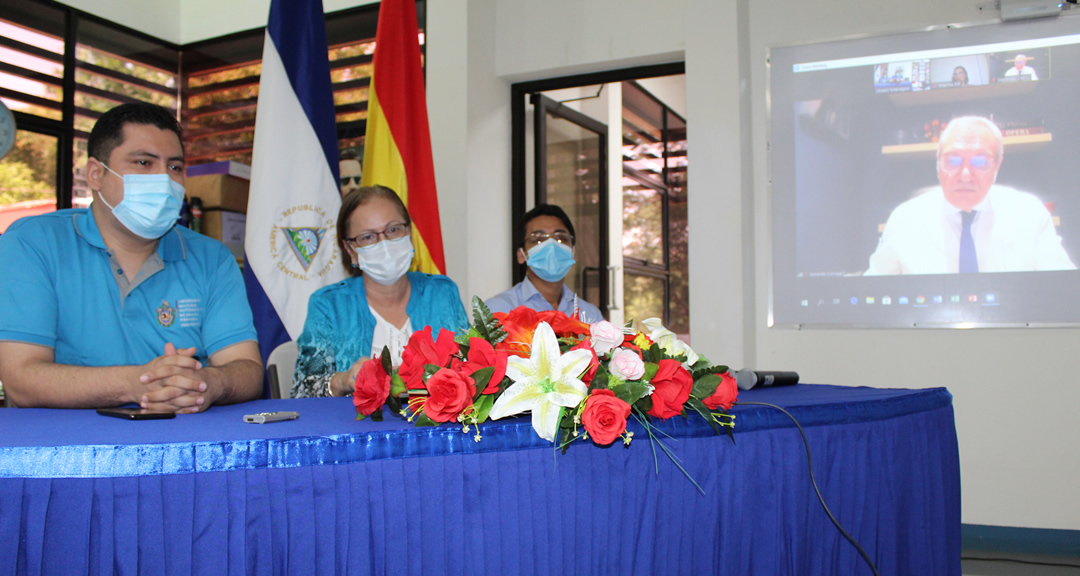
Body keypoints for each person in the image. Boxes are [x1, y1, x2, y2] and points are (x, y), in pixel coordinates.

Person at [0, 102, 263, 412]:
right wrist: (137, 382)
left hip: (182, 444)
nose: (165, 179)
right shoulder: (33, 243)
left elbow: (247, 369)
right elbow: (21, 379)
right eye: (143, 162)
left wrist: (208, 384)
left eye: (175, 167)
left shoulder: (211, 257)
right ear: (96, 175)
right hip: (64, 450)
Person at [292, 185, 468, 397]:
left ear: (409, 233)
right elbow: (303, 391)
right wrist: (344, 381)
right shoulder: (328, 305)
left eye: (393, 230)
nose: (384, 243)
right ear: (350, 250)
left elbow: (473, 370)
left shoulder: (442, 293)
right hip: (355, 427)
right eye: (368, 237)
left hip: (437, 426)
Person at [865, 116, 1074, 275]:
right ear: (938, 164)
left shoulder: (1030, 214)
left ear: (997, 165)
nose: (965, 175)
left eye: (980, 162)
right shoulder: (905, 219)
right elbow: (873, 292)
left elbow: (1061, 291)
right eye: (953, 161)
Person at [486, 204, 604, 323]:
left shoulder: (590, 316)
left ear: (574, 252)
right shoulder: (499, 311)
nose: (551, 245)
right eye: (538, 239)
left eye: (561, 238)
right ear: (521, 254)